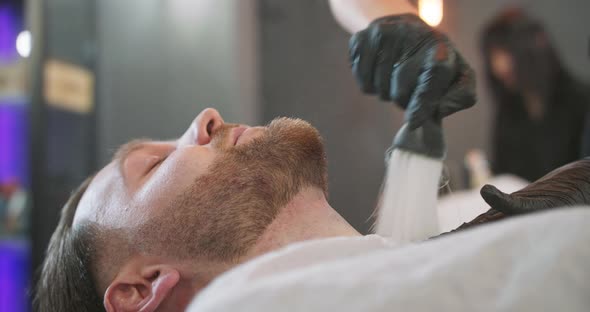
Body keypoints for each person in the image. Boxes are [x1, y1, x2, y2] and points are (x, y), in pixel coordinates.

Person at [481, 8, 590, 182]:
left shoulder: (582, 102)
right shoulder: (507, 113)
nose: (498, 65)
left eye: (505, 51)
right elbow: (502, 172)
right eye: (493, 54)